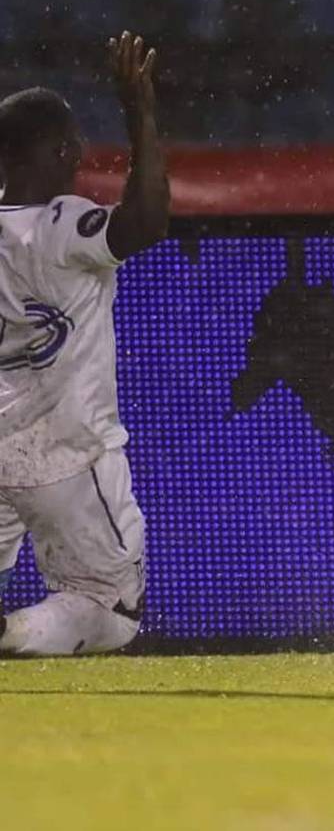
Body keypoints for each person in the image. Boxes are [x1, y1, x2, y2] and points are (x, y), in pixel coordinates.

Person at [0, 32, 169, 655]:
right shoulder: (61, 222)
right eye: (71, 141)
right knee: (113, 611)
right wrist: (141, 115)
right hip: (68, 454)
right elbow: (146, 222)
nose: (79, 151)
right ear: (56, 149)